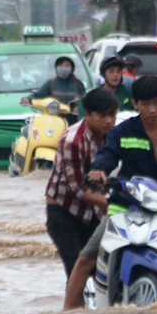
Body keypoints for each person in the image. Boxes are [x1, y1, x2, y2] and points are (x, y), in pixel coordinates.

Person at [63, 76, 157, 310]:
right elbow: (107, 154)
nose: (152, 109)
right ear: (135, 103)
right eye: (145, 104)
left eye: (156, 102)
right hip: (123, 206)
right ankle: (67, 313)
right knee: (85, 259)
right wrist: (98, 170)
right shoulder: (122, 132)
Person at [45, 88, 119, 281]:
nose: (109, 121)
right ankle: (73, 311)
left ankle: (93, 312)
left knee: (102, 269)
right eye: (102, 116)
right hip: (63, 211)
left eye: (112, 115)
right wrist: (112, 205)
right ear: (87, 115)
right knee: (77, 269)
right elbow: (78, 189)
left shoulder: (114, 136)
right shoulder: (72, 141)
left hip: (93, 210)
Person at [21, 55, 86, 124]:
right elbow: (38, 95)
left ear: (71, 68)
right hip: (54, 119)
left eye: (66, 66)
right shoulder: (51, 83)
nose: (63, 68)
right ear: (56, 67)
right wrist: (28, 99)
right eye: (61, 65)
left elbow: (85, 100)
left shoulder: (78, 84)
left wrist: (78, 107)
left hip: (74, 120)